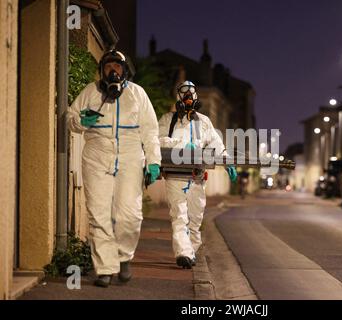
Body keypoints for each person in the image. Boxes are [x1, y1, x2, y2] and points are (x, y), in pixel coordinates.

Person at [66, 50, 161, 287]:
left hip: (130, 156)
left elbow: (150, 131)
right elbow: (69, 116)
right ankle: (105, 269)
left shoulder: (137, 94)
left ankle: (124, 257)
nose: (112, 71)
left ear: (124, 70)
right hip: (97, 155)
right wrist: (80, 121)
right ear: (101, 70)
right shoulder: (90, 92)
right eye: (108, 67)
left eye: (117, 67)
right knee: (99, 214)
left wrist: (153, 161)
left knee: (129, 215)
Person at [158, 80, 237, 269]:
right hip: (175, 176)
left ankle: (191, 251)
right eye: (184, 94)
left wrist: (227, 163)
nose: (188, 98)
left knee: (195, 218)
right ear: (178, 98)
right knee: (179, 215)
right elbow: (158, 141)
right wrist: (182, 145)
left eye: (191, 94)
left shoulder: (203, 121)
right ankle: (183, 253)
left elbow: (216, 145)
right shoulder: (168, 120)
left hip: (197, 177)